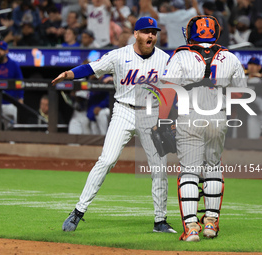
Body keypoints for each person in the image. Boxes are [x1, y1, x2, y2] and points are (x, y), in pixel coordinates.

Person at [52, 17, 175, 233]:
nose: (151, 36)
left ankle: (160, 221)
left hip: (151, 114)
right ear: (136, 34)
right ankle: (78, 212)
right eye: (146, 32)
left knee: (159, 168)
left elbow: (175, 88)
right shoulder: (119, 55)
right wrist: (70, 74)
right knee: (106, 160)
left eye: (154, 32)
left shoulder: (165, 59)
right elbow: (91, 67)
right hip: (124, 111)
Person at [159, 15, 246, 241]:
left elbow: (168, 92)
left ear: (191, 32)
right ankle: (210, 223)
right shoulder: (230, 57)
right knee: (213, 168)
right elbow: (239, 95)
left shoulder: (180, 56)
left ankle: (191, 227)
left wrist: (161, 122)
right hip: (217, 116)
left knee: (189, 171)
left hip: (189, 116)